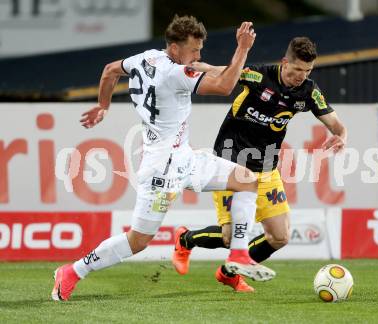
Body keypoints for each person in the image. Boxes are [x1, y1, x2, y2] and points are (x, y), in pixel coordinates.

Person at [51, 15, 276, 302]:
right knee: (139, 241)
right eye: (194, 50)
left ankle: (240, 254)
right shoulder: (173, 74)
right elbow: (222, 87)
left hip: (183, 157)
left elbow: (110, 70)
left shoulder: (147, 58)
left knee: (246, 180)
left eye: (199, 49)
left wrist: (103, 106)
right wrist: (242, 49)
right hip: (162, 169)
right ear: (174, 48)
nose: (198, 55)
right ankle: (72, 271)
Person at [172, 37, 347, 292]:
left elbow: (337, 125)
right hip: (232, 165)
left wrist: (342, 137)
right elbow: (220, 71)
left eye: (307, 71)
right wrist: (194, 67)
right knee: (230, 237)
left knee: (280, 236)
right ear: (284, 62)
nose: (301, 76)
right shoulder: (258, 76)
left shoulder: (308, 91)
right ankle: (185, 239)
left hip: (266, 169)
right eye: (297, 69)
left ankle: (229, 272)